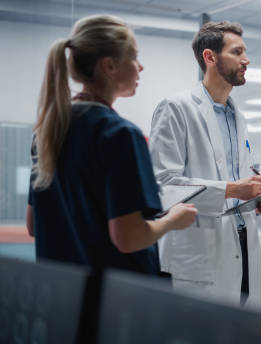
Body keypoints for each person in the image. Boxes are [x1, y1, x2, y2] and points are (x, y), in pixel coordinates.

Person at [25, 15, 198, 276]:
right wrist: (172, 220)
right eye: (134, 57)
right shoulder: (119, 135)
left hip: (63, 293)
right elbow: (128, 237)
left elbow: (34, 225)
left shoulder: (48, 132)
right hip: (112, 298)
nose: (141, 68)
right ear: (109, 66)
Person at [148, 21, 261, 308]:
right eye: (237, 52)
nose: (246, 60)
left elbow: (245, 179)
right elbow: (163, 186)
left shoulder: (239, 118)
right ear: (210, 57)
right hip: (200, 255)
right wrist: (233, 189)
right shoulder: (176, 108)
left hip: (244, 246)